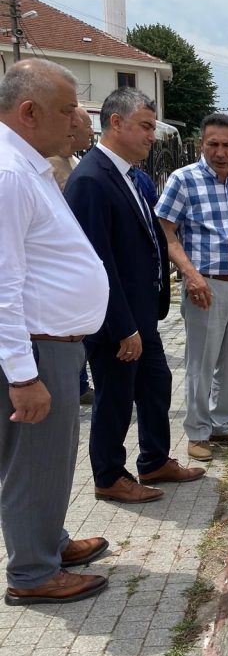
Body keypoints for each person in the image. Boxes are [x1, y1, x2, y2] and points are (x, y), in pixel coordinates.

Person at [0, 59, 110, 605]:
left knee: (50, 459)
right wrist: (23, 376)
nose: (75, 122)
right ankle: (33, 573)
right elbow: (3, 283)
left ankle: (49, 541)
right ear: (29, 111)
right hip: (38, 348)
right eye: (67, 110)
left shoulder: (28, 167)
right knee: (33, 462)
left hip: (53, 344)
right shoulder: (10, 175)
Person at [65, 87, 206, 504]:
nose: (151, 136)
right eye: (144, 126)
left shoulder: (130, 176)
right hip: (117, 320)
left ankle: (155, 460)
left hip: (142, 314)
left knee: (156, 383)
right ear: (116, 123)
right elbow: (97, 261)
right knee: (115, 397)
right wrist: (122, 325)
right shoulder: (91, 179)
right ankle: (109, 476)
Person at [156, 114, 228, 462]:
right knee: (202, 362)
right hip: (205, 285)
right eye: (213, 144)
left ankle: (223, 423)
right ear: (200, 145)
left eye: (227, 145)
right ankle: (198, 431)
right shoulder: (183, 180)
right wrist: (190, 275)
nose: (220, 152)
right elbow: (166, 232)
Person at [46, 106, 98, 403]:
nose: (91, 131)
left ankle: (78, 383)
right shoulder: (48, 165)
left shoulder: (74, 161)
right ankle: (74, 385)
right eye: (86, 125)